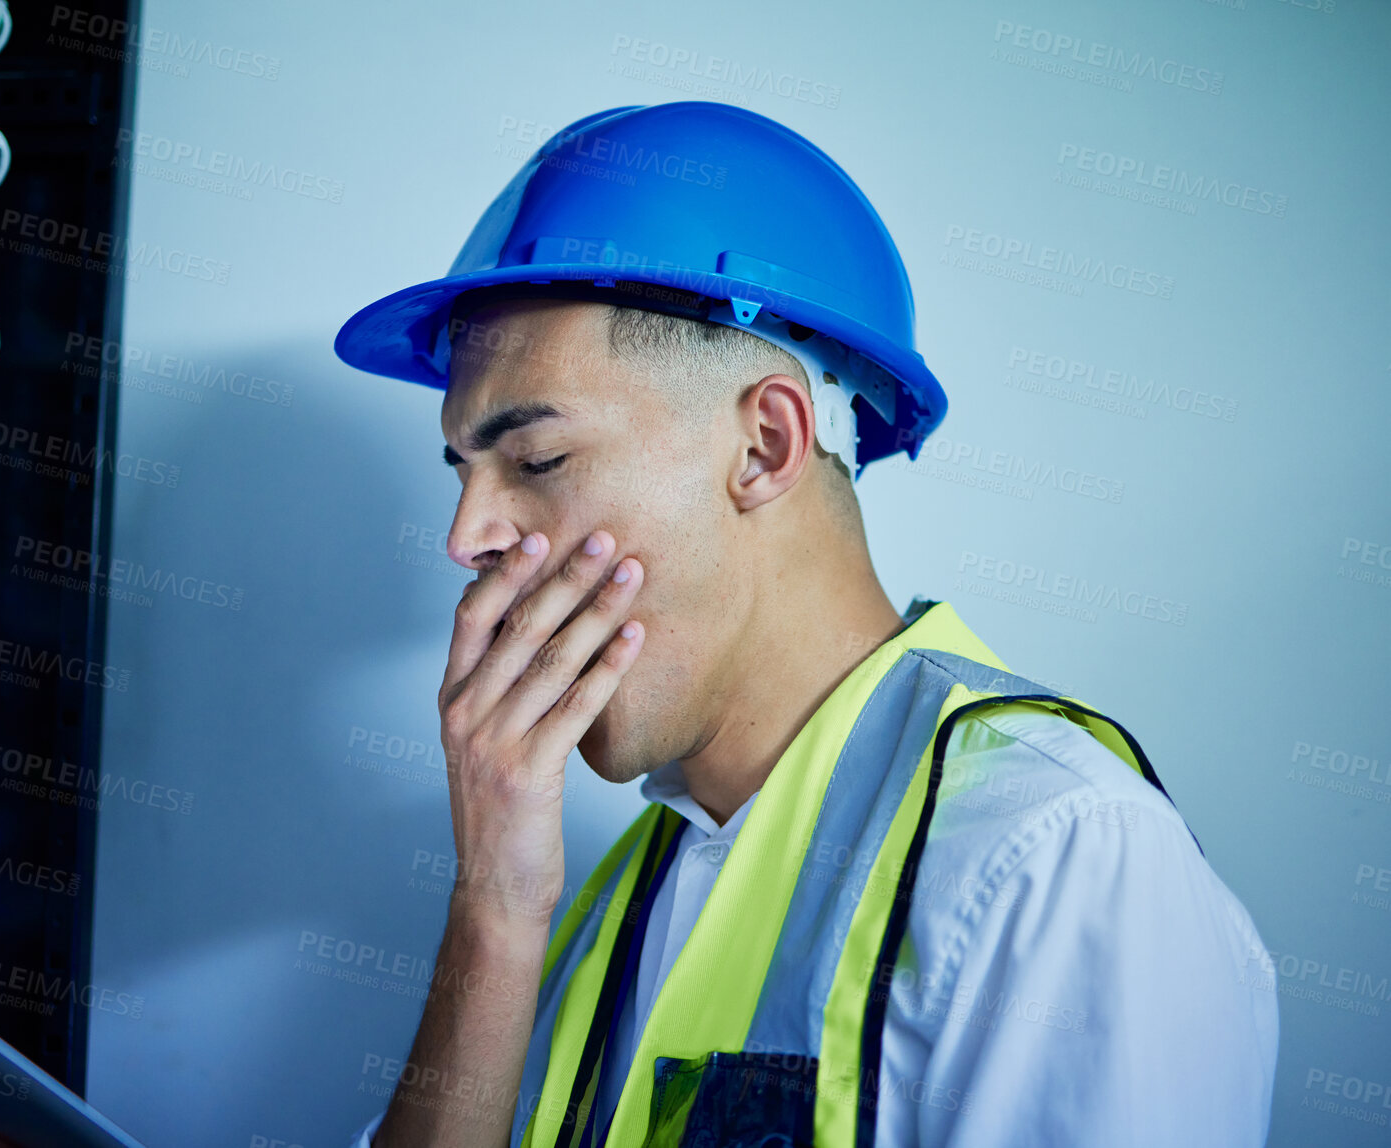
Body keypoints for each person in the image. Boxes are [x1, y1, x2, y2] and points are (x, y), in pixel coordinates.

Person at [331, 102, 1277, 1147]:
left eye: (538, 460)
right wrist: (494, 911)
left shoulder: (1058, 857)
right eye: (462, 472)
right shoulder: (601, 904)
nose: (467, 535)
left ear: (766, 445)